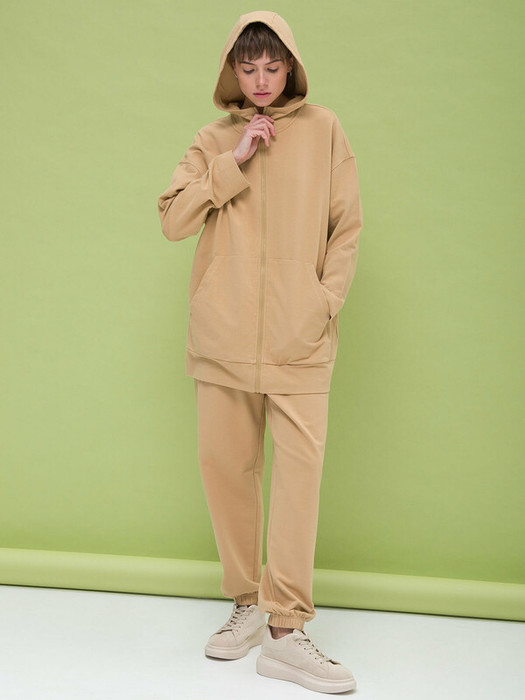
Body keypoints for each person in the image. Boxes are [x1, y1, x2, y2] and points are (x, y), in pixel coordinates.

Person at [157, 10, 363, 695]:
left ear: (290, 66)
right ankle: (247, 603)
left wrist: (322, 302)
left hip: (299, 339)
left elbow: (346, 227)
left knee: (298, 481)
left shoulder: (325, 130)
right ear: (232, 71)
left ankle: (285, 630)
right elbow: (172, 220)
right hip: (222, 337)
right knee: (226, 471)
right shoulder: (213, 139)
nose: (262, 79)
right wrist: (233, 161)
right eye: (248, 68)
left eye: (273, 66)